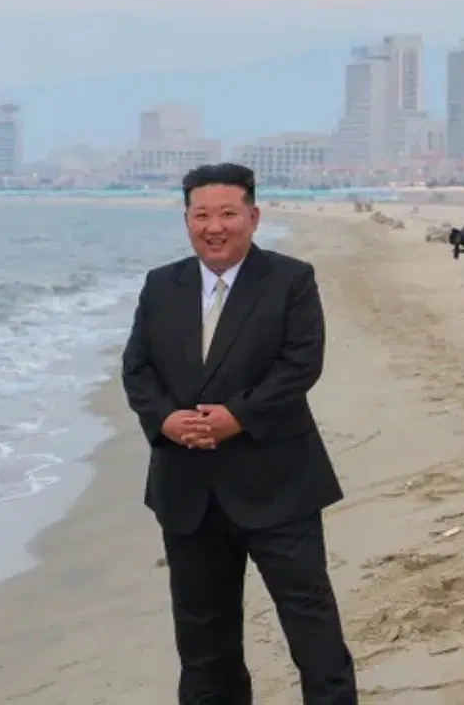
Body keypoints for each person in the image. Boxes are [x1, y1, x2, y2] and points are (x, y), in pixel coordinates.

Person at [120, 163, 357, 704]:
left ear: (253, 216)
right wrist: (165, 419)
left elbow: (300, 365)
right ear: (186, 220)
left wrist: (238, 416)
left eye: (228, 214)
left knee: (313, 633)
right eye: (201, 215)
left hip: (278, 485)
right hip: (187, 489)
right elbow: (137, 368)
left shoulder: (291, 280)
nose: (214, 227)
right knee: (204, 645)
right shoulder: (162, 285)